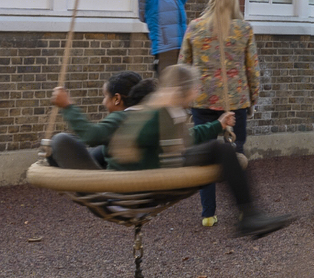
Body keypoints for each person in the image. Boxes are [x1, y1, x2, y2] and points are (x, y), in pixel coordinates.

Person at [50, 64, 292, 238]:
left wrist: (217, 125)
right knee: (85, 145)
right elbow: (92, 135)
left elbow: (187, 138)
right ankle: (249, 214)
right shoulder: (136, 120)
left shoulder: (158, 119)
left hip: (129, 194)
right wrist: (67, 106)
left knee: (66, 141)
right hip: (122, 194)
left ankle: (250, 216)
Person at [179, 0, 261, 228]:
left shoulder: (195, 27)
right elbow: (252, 69)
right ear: (235, 0)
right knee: (236, 153)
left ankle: (208, 214)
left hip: (202, 99)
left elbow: (183, 64)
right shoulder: (244, 29)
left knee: (205, 153)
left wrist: (184, 99)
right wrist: (252, 98)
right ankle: (242, 209)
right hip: (234, 100)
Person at [49, 70, 151, 166]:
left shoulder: (123, 117)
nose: (103, 102)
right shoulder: (148, 114)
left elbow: (91, 135)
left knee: (60, 140)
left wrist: (67, 106)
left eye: (105, 96)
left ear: (117, 99)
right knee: (99, 147)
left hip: (115, 180)